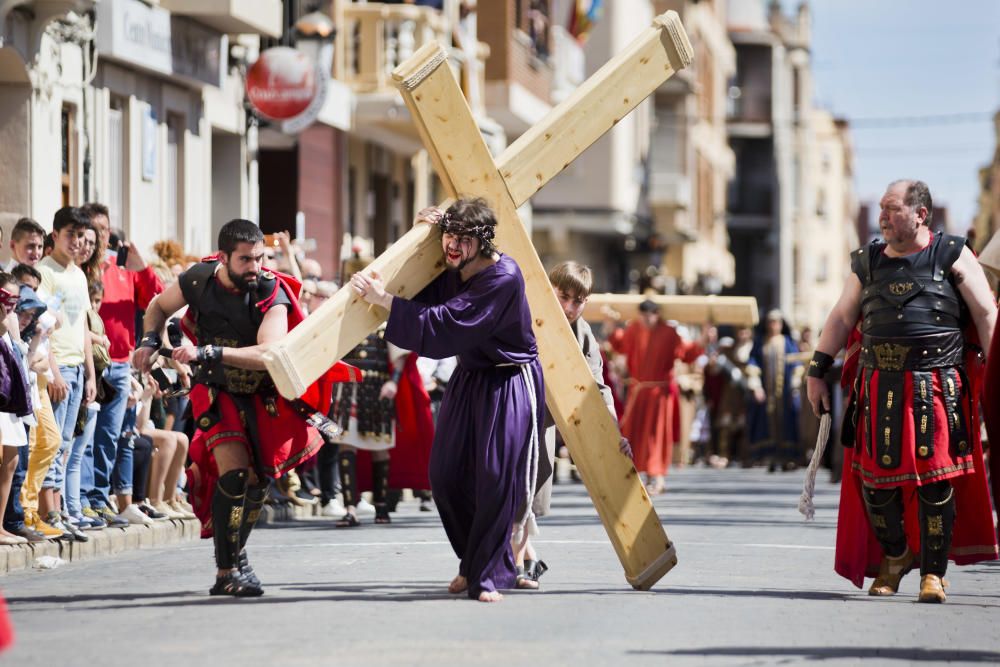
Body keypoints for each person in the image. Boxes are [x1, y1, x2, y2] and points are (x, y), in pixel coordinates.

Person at [806, 179, 999, 603]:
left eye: (892, 209)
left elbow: (986, 313)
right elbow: (841, 317)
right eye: (881, 209)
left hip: (938, 386)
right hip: (879, 387)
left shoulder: (952, 253)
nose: (882, 217)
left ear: (920, 214)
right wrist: (817, 370)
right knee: (876, 484)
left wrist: (996, 376)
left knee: (936, 482)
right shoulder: (867, 261)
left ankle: (933, 573)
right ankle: (896, 555)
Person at [135, 218, 349, 597]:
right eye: (246, 260)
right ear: (223, 258)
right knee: (234, 475)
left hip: (262, 394)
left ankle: (236, 553)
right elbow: (157, 306)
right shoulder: (198, 279)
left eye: (260, 258)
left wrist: (209, 350)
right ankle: (227, 570)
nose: (255, 267)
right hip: (217, 390)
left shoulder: (271, 291)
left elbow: (269, 351)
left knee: (257, 482)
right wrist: (148, 341)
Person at [351, 198, 544, 603]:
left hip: (509, 379)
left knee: (493, 477)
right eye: (449, 237)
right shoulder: (454, 267)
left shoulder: (503, 276)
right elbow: (425, 294)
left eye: (462, 239)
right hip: (471, 376)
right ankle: (473, 563)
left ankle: (487, 575)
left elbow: (448, 323)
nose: (452, 246)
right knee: (444, 474)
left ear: (484, 241)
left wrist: (384, 300)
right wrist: (422, 231)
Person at [512, 261, 632, 589]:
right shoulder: (523, 310)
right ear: (549, 287)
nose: (568, 307)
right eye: (563, 296)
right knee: (499, 494)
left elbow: (597, 387)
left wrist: (613, 434)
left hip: (543, 427)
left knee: (527, 498)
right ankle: (517, 562)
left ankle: (522, 561)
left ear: (586, 302)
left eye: (577, 301)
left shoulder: (584, 334)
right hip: (508, 414)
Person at [81, 203, 164, 528]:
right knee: (87, 439)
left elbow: (157, 299)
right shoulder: (83, 269)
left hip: (119, 364)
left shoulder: (122, 267)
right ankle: (87, 499)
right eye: (94, 229)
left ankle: (100, 499)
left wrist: (142, 267)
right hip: (91, 363)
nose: (101, 235)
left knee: (113, 438)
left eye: (105, 229)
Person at [605, 299, 701, 494]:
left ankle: (657, 478)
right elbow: (619, 344)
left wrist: (705, 338)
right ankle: (638, 475)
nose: (647, 319)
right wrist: (610, 324)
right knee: (635, 434)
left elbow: (687, 353)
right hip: (638, 392)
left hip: (660, 395)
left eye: (651, 315)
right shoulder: (633, 330)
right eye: (644, 315)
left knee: (657, 436)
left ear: (657, 314)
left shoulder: (669, 332)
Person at [748, 309, 802, 471]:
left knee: (786, 421)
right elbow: (753, 363)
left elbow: (796, 363)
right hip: (767, 392)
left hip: (785, 393)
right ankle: (771, 457)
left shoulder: (787, 342)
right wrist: (756, 385)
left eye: (777, 322)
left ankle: (787, 457)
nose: (774, 325)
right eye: (771, 322)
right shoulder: (760, 342)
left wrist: (795, 383)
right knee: (767, 422)